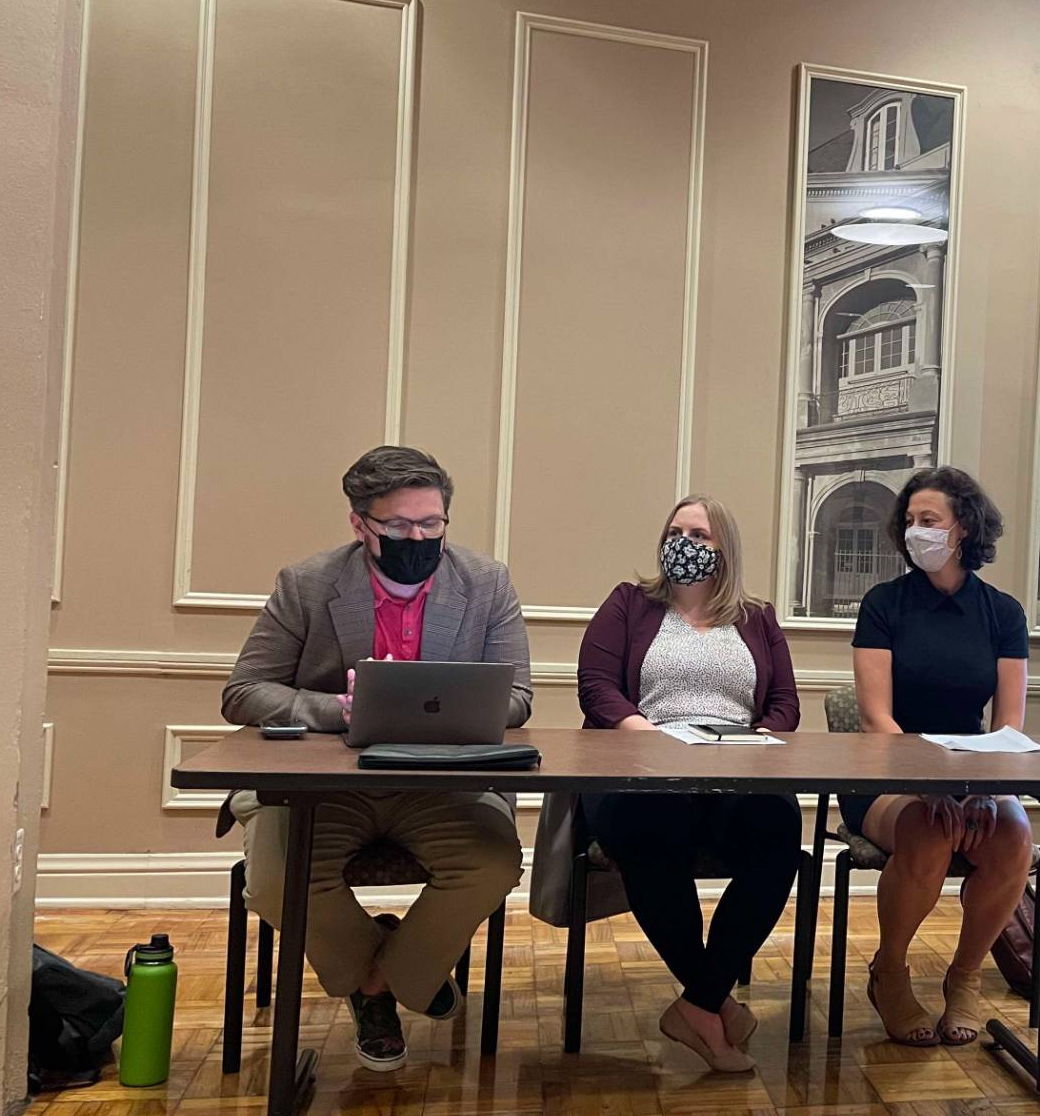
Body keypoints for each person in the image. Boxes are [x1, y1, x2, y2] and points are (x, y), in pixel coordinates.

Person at [223, 446, 532, 1071]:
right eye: (399, 526)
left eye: (431, 524)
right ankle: (401, 972)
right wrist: (341, 707)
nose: (418, 537)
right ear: (360, 523)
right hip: (324, 787)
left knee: (493, 861)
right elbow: (243, 691)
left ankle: (378, 987)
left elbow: (519, 698)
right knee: (277, 881)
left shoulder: (486, 583)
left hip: (439, 788)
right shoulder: (306, 583)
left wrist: (434, 703)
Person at [575, 495, 802, 1073]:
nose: (683, 543)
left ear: (723, 548)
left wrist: (750, 745)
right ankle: (712, 1003)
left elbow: (784, 705)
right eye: (675, 532)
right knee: (652, 829)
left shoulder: (757, 616)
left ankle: (698, 1004)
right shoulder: (629, 603)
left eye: (698, 534)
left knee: (780, 833)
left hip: (735, 768)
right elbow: (597, 685)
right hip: (642, 762)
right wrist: (645, 734)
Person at [846, 466, 1034, 1047]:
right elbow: (878, 718)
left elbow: (1008, 723)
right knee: (928, 832)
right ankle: (890, 972)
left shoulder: (1003, 614)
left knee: (1015, 840)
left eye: (929, 521)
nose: (915, 533)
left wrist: (982, 787)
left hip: (972, 770)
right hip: (887, 772)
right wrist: (927, 786)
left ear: (964, 529)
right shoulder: (884, 604)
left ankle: (965, 977)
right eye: (909, 522)